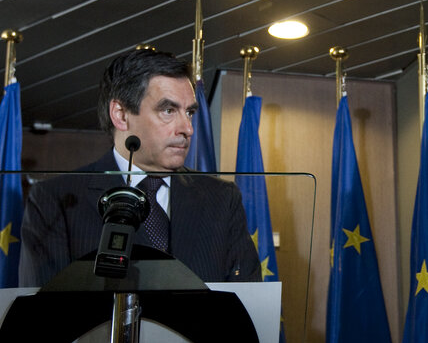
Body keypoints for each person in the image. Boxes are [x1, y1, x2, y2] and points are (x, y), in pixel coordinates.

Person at [19, 48, 260, 286]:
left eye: (189, 112)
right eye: (168, 110)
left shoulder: (221, 199)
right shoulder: (56, 200)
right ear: (121, 115)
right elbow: (45, 314)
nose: (188, 128)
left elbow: (248, 303)